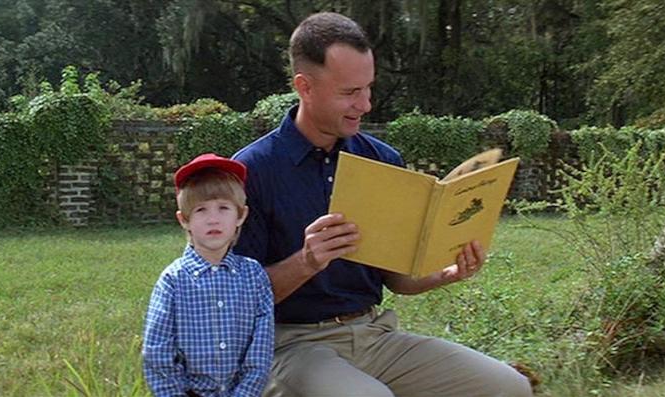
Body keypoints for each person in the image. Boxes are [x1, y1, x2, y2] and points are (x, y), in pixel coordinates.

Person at [232, 12, 533, 397]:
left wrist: (447, 271)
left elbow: (397, 280)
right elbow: (236, 300)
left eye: (368, 88)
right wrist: (307, 261)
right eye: (350, 92)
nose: (366, 104)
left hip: (375, 336)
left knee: (509, 386)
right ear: (304, 87)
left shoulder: (382, 160)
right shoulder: (250, 171)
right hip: (291, 346)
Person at [143, 153, 274, 397]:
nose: (213, 219)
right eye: (201, 210)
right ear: (185, 220)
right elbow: (157, 351)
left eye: (223, 208)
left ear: (241, 216)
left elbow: (261, 349)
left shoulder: (254, 276)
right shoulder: (173, 280)